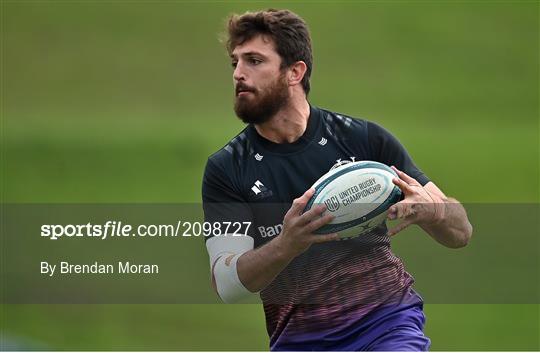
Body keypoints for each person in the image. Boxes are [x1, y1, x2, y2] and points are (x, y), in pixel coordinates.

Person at [202, 9, 472, 351]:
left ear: (294, 72)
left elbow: (461, 233)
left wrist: (433, 212)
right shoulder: (228, 168)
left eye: (254, 61)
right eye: (235, 63)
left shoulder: (363, 140)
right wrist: (288, 244)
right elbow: (227, 283)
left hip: (387, 323)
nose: (239, 74)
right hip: (300, 340)